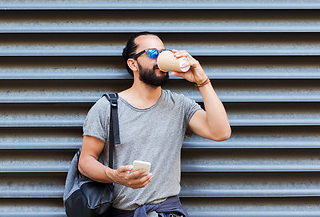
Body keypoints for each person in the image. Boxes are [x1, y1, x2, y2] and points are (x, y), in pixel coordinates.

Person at [78, 32, 231, 217]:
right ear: (133, 63)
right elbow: (86, 161)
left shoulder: (180, 105)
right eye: (152, 53)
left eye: (163, 52)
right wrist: (115, 176)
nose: (160, 58)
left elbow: (221, 132)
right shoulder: (107, 107)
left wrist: (202, 81)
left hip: (167, 212)